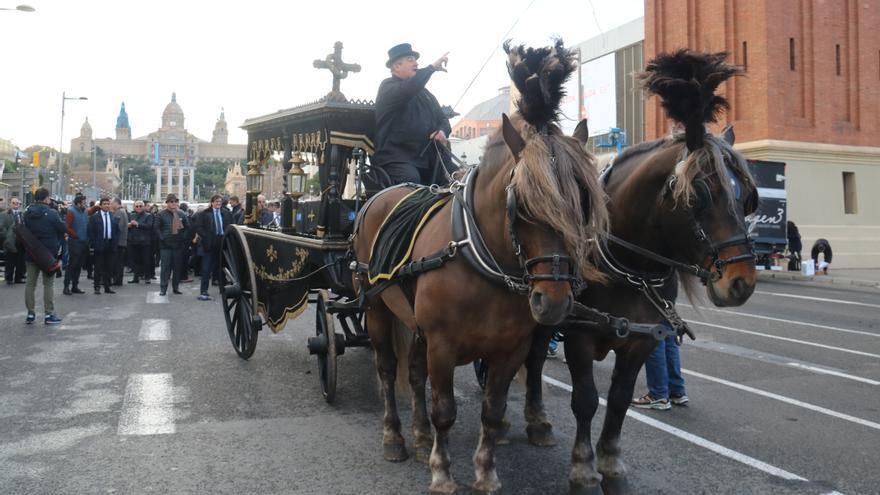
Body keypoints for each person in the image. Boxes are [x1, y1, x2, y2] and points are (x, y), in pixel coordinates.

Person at [374, 42, 452, 186]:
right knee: (411, 181)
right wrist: (431, 68)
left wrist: (441, 131)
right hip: (397, 158)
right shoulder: (388, 87)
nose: (416, 63)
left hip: (429, 159)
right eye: (410, 59)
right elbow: (409, 88)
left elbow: (443, 119)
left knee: (460, 180)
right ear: (397, 66)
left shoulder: (426, 94)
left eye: (415, 60)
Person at [632, 282, 688, 411]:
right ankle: (676, 390)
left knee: (654, 335)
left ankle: (658, 395)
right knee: (667, 333)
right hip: (668, 285)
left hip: (653, 285)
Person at [22, 188, 67, 325]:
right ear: (47, 198)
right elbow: (62, 228)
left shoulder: (27, 213)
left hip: (31, 252)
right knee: (48, 284)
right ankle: (48, 314)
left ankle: (30, 313)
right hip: (48, 254)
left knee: (30, 284)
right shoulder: (52, 213)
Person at [193, 194, 232, 301]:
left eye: (220, 201)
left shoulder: (226, 213)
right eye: (216, 201)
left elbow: (231, 226)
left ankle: (223, 288)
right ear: (212, 202)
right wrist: (205, 236)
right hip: (209, 243)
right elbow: (197, 227)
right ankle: (204, 290)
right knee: (206, 268)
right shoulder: (204, 214)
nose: (218, 203)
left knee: (221, 267)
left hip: (222, 242)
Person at [154, 193, 191, 296]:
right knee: (165, 268)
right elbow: (156, 228)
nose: (174, 203)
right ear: (167, 203)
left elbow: (188, 227)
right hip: (165, 246)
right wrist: (162, 238)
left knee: (177, 268)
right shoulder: (161, 214)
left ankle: (176, 287)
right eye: (171, 201)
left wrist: (183, 238)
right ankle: (163, 288)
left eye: (175, 201)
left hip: (178, 245)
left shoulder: (181, 213)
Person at [87, 197, 119, 295]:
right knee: (98, 267)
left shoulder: (112, 216)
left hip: (110, 244)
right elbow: (90, 232)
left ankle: (107, 287)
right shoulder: (94, 217)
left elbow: (116, 231)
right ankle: (97, 287)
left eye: (108, 203)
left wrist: (115, 243)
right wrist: (94, 243)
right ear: (100, 206)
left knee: (109, 267)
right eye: (104, 204)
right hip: (99, 244)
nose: (106, 205)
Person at [63, 195, 90, 295]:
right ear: (78, 203)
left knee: (79, 265)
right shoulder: (71, 211)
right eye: (83, 202)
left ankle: (75, 286)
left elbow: (88, 219)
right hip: (75, 242)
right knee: (72, 265)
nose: (85, 204)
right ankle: (66, 286)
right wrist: (76, 235)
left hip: (83, 242)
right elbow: (67, 227)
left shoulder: (85, 212)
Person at [1, 197, 27, 284]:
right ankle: (9, 278)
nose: (16, 205)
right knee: (10, 261)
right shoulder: (4, 214)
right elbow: (2, 228)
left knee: (20, 261)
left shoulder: (22, 214)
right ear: (10, 204)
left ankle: (18, 278)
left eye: (17, 203)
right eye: (13, 203)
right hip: (10, 241)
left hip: (20, 241)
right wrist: (7, 238)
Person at [127, 200, 155, 284]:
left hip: (144, 242)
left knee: (146, 260)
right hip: (134, 241)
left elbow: (149, 226)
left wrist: (137, 224)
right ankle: (136, 278)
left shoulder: (148, 215)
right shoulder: (131, 215)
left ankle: (147, 277)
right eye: (137, 206)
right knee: (135, 260)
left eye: (140, 206)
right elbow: (129, 226)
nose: (138, 207)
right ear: (134, 207)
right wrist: (129, 225)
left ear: (143, 207)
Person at [111, 198, 129, 286]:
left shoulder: (119, 212)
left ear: (116, 203)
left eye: (111, 203)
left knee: (117, 262)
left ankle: (117, 280)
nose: (110, 205)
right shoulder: (122, 211)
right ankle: (117, 279)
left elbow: (119, 227)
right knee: (118, 262)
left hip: (119, 241)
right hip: (121, 241)